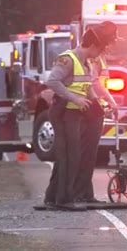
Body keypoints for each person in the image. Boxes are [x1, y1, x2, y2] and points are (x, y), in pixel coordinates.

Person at [43, 21, 119, 210]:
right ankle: (63, 199)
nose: (99, 54)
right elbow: (52, 81)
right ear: (93, 46)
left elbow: (88, 87)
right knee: (68, 154)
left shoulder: (87, 63)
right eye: (99, 50)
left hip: (74, 112)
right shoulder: (68, 59)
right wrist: (74, 98)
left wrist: (98, 104)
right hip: (62, 111)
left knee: (73, 154)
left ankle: (57, 197)